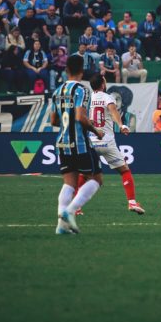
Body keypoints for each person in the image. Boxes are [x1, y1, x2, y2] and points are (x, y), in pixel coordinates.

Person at [50, 55, 104, 235]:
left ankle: (61, 226)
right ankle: (69, 211)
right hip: (80, 143)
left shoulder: (57, 91)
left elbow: (54, 120)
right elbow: (81, 117)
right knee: (96, 179)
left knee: (69, 183)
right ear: (82, 70)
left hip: (62, 142)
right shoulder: (82, 90)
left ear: (66, 70)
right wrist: (96, 131)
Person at [86, 74, 145, 214]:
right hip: (106, 141)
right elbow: (113, 112)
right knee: (124, 170)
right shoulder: (107, 97)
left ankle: (76, 208)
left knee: (85, 174)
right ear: (102, 84)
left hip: (91, 141)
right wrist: (121, 125)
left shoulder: (88, 99)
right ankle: (131, 202)